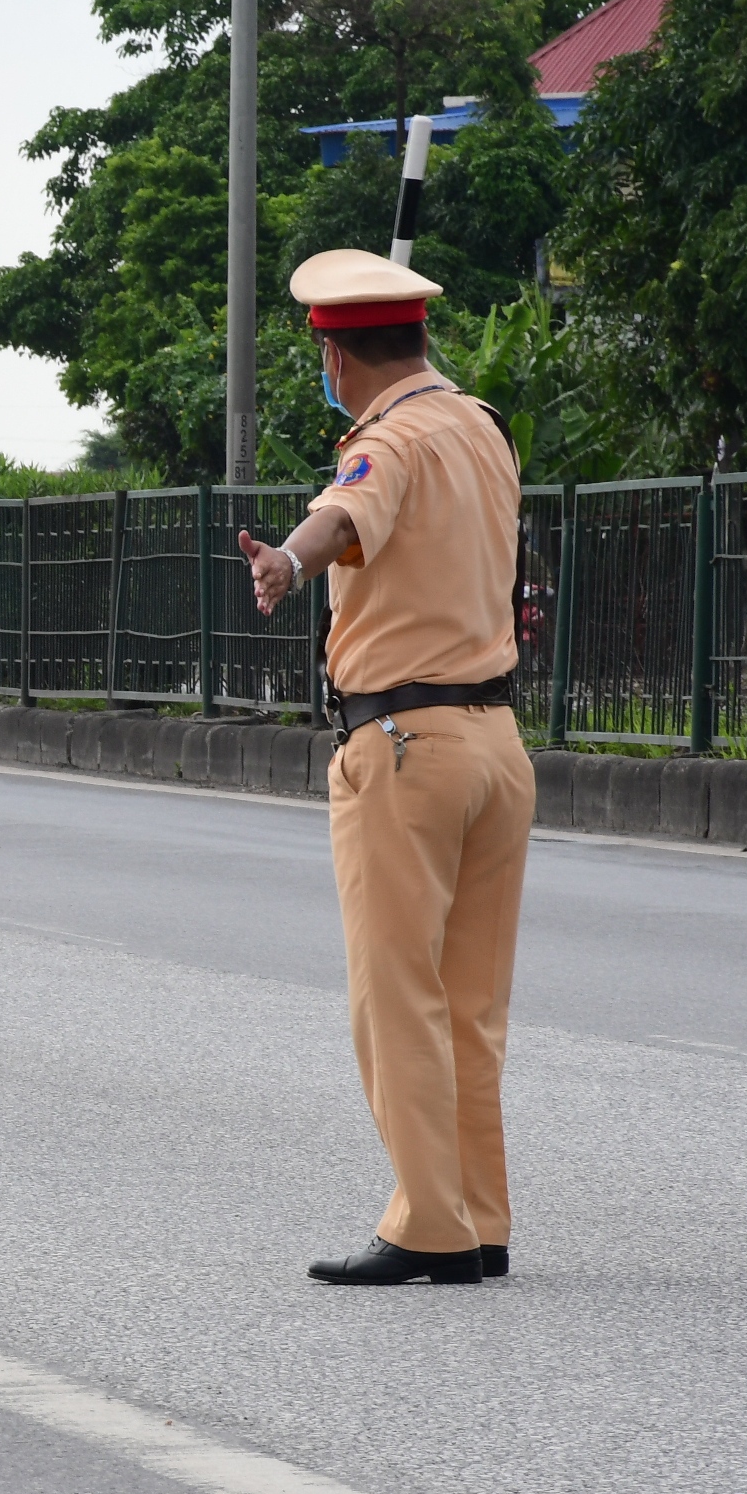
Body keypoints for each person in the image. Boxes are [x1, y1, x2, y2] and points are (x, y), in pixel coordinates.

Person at [239, 249, 535, 1287]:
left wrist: (285, 558)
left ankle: (428, 1222)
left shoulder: (393, 437)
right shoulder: (481, 425)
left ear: (335, 352)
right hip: (498, 742)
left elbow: (345, 511)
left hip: (406, 747)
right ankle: (479, 1216)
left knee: (396, 995)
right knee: (469, 1003)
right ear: (415, 336)